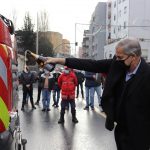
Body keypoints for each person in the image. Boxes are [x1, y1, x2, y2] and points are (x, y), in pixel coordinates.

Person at [45, 37, 150, 150]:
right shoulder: (117, 65)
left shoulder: (147, 75)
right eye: (116, 56)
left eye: (120, 57)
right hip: (120, 132)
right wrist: (59, 60)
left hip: (140, 134)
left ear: (133, 57)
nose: (116, 60)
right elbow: (90, 64)